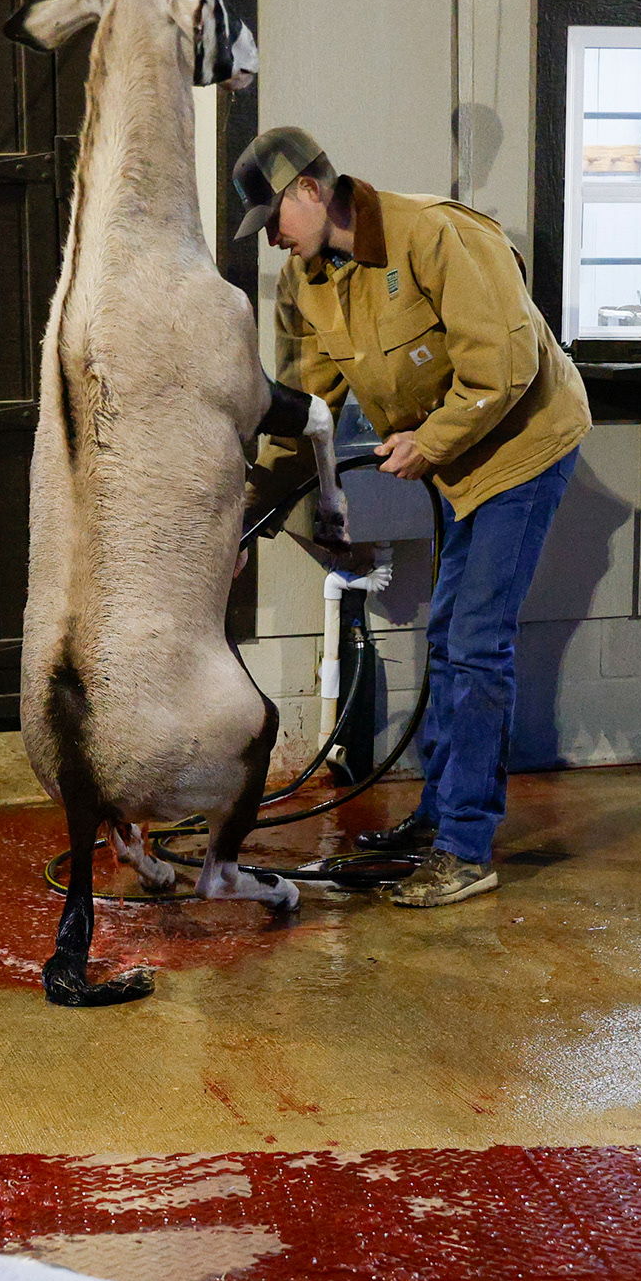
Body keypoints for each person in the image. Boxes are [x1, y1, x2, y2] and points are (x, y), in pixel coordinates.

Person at [236, 125, 589, 908]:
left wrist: (430, 442)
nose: (272, 245)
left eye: (275, 224)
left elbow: (506, 364)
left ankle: (466, 847)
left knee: (475, 642)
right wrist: (243, 515)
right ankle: (439, 819)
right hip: (461, 462)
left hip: (523, 446)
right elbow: (308, 413)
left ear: (308, 190)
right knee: (451, 637)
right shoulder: (310, 282)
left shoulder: (433, 234)